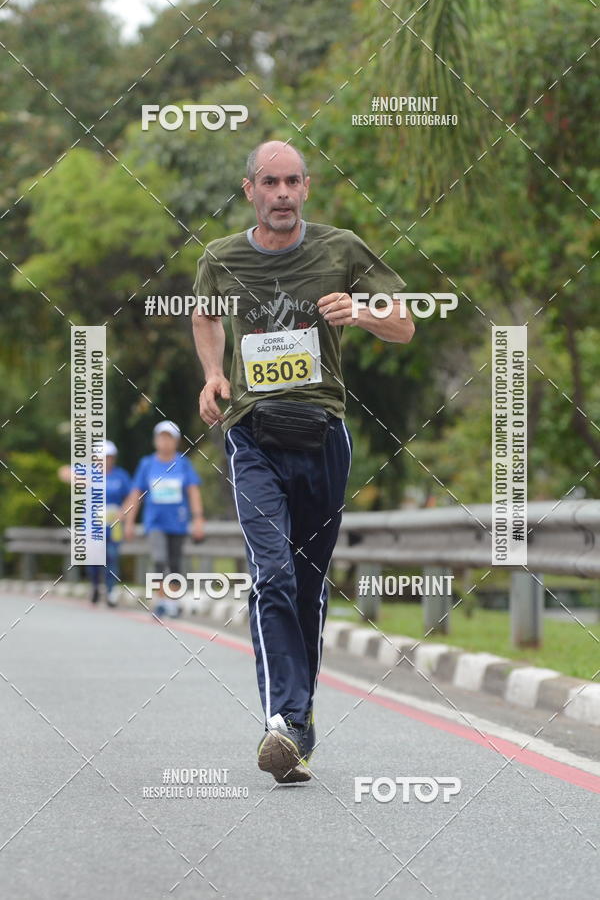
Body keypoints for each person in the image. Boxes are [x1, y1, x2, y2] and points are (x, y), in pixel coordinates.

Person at [192, 140, 414, 784]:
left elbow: (404, 325)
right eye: (270, 182)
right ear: (249, 190)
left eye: (293, 181)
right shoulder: (221, 257)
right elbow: (205, 315)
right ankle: (283, 723)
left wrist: (362, 311)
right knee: (273, 576)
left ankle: (298, 724)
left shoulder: (342, 249)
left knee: (310, 588)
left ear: (307, 188)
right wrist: (213, 374)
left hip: (323, 434)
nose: (283, 193)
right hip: (252, 434)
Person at [123, 421, 205, 618]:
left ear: (176, 441)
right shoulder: (147, 464)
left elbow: (193, 492)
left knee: (175, 563)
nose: (165, 442)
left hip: (178, 522)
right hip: (155, 522)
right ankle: (161, 600)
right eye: (162, 438)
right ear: (155, 440)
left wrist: (198, 519)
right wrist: (129, 522)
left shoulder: (183, 464)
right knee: (159, 559)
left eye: (169, 438)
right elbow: (136, 494)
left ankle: (172, 602)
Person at [58, 439, 131, 606]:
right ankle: (95, 587)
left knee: (112, 557)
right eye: (103, 457)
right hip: (92, 527)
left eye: (109, 457)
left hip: (113, 526)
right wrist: (80, 480)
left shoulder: (120, 476)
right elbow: (63, 472)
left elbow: (131, 496)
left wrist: (123, 512)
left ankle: (111, 592)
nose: (106, 460)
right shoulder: (88, 472)